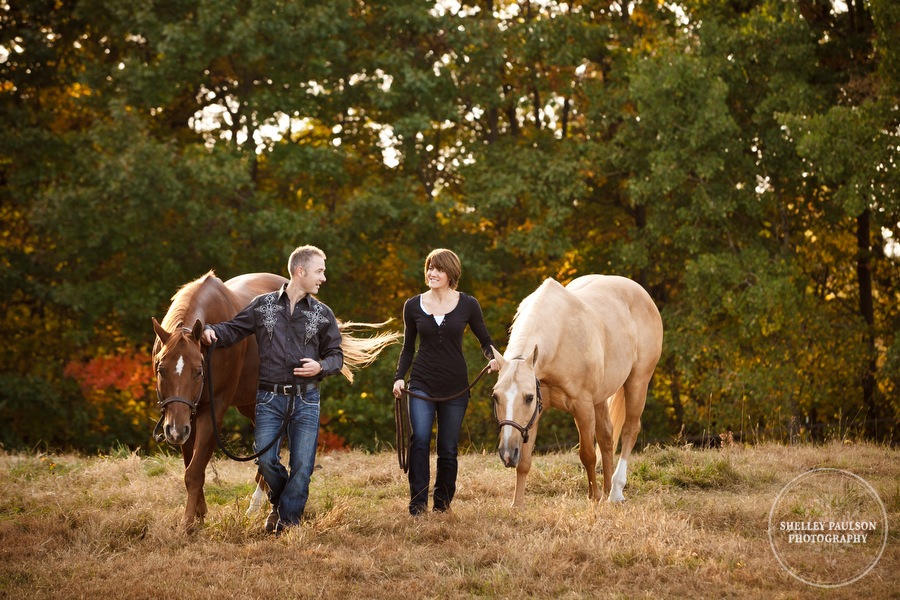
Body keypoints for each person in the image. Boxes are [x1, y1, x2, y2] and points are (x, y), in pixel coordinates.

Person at [201, 245, 343, 534]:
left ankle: (286, 523)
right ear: (300, 272)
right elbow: (233, 329)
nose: (324, 279)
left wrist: (321, 367)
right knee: (266, 461)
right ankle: (281, 503)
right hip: (268, 398)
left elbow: (336, 356)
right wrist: (211, 332)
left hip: (306, 399)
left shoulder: (323, 313)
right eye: (320, 271)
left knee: (303, 467)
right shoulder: (262, 305)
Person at [392, 248, 498, 516]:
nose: (432, 273)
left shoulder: (468, 304)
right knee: (420, 440)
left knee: (448, 448)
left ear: (451, 273)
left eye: (438, 269)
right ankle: (417, 505)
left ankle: (442, 504)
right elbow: (407, 348)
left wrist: (496, 359)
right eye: (429, 267)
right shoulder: (413, 305)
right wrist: (399, 378)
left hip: (456, 386)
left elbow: (485, 341)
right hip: (421, 383)